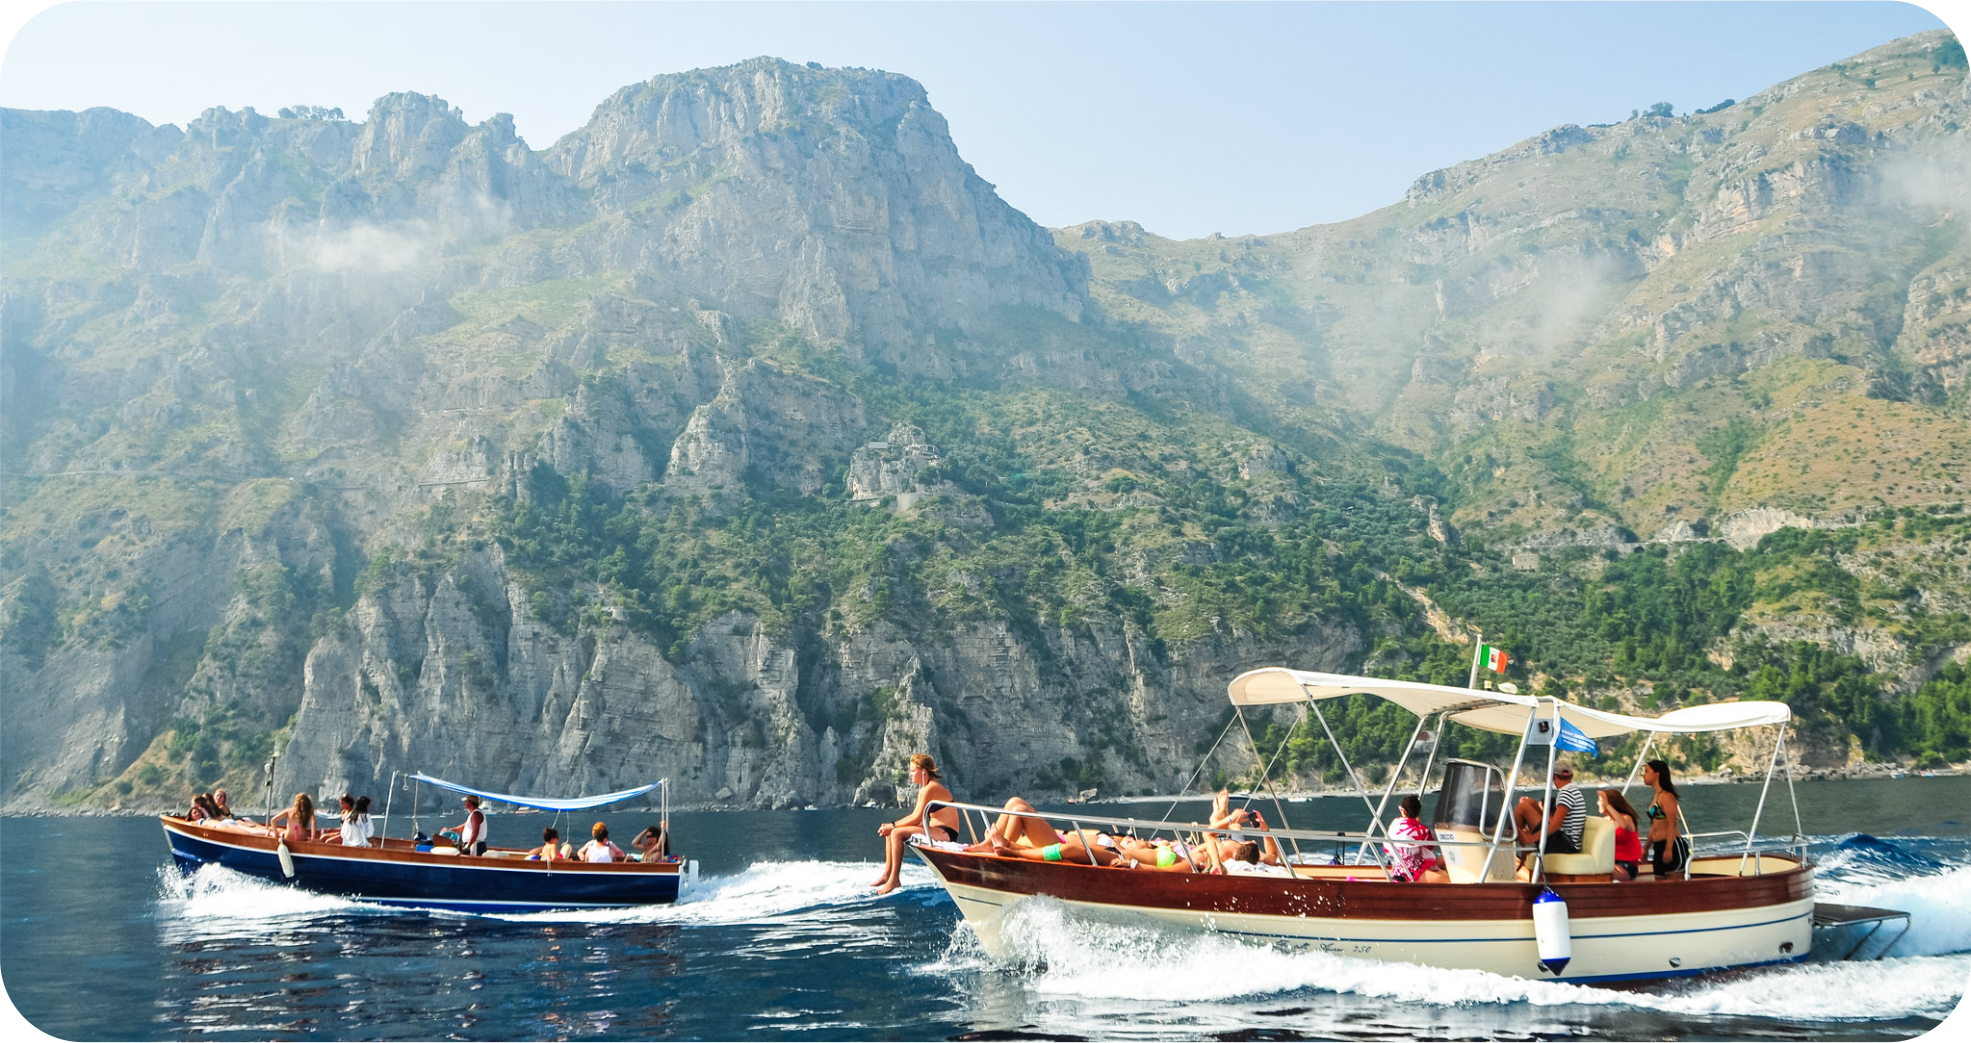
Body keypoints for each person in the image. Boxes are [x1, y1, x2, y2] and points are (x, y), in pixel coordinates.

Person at [873, 754, 960, 895]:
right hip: (933, 828)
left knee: (896, 832)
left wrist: (893, 825)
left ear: (923, 771)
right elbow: (917, 817)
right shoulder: (924, 788)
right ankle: (887, 874)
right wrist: (892, 826)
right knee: (892, 832)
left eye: (913, 771)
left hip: (945, 832)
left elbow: (916, 817)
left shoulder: (931, 788)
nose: (910, 774)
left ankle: (894, 879)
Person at [1514, 764, 1586, 857]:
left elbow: (1556, 825)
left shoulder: (1566, 793)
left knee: (1523, 807)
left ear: (1554, 777)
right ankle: (1514, 837)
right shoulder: (1573, 791)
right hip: (1565, 841)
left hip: (1566, 845)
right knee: (1530, 802)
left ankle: (1510, 838)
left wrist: (1531, 838)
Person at [1386, 794, 1448, 882]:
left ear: (1403, 811)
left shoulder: (1395, 824)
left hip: (1399, 871)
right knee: (1445, 859)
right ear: (1419, 812)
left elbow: (1387, 849)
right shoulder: (1423, 830)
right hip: (1419, 870)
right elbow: (1430, 847)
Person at [1643, 759, 1688, 880]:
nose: (1644, 775)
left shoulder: (1668, 796)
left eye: (1647, 771)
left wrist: (1668, 849)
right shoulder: (1656, 796)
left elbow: (1672, 823)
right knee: (1660, 888)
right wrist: (1646, 848)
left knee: (1674, 890)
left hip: (1672, 845)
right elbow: (1654, 825)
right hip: (1658, 846)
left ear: (1657, 774)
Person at [1600, 788, 1643, 881]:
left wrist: (1608, 806)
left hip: (1626, 864)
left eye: (1600, 801)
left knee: (1603, 875)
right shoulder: (1604, 821)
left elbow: (1624, 825)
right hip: (1610, 863)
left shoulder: (1627, 818)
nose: (1598, 803)